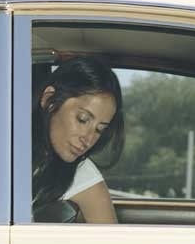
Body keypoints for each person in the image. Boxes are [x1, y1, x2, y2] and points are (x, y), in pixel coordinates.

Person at [31, 56, 125, 223]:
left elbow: (111, 239)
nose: (88, 139)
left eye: (99, 130)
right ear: (49, 100)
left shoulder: (84, 174)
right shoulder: (1, 145)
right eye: (82, 119)